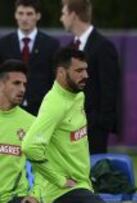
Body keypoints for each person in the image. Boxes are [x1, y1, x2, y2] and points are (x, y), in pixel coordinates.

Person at [22, 48, 104, 203]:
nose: (85, 76)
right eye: (79, 71)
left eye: (86, 70)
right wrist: (59, 180)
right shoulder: (54, 104)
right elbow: (30, 147)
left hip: (82, 185)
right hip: (62, 192)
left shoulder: (78, 95)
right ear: (61, 72)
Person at [60, 0, 120, 154]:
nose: (61, 18)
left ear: (73, 15)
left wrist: (99, 124)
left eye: (64, 13)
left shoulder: (103, 47)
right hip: (68, 129)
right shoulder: (68, 49)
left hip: (93, 131)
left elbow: (110, 90)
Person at [0, 0, 60, 116]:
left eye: (29, 14)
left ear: (38, 16)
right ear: (15, 15)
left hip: (41, 111)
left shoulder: (51, 45)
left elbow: (55, 80)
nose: (24, 18)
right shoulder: (3, 44)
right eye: (21, 13)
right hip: (10, 110)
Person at [0, 60, 38, 203]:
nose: (22, 89)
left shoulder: (32, 123)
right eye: (16, 83)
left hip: (15, 198)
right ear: (1, 84)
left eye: (24, 84)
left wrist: (35, 194)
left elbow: (43, 166)